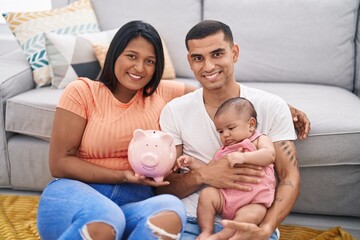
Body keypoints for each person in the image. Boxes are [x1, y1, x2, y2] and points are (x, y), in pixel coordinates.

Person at [36, 20, 195, 240]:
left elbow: (209, 96)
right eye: (131, 56)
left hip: (132, 205)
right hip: (76, 197)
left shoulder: (162, 93)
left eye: (149, 61)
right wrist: (123, 176)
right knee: (107, 215)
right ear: (114, 54)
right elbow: (59, 163)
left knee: (170, 208)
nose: (140, 68)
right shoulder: (82, 92)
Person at [158, 20, 310, 240]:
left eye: (217, 54)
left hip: (251, 225)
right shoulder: (174, 111)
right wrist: (203, 174)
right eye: (198, 58)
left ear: (234, 53)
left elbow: (289, 176)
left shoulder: (270, 106)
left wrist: (266, 228)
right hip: (191, 221)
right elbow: (163, 187)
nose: (208, 66)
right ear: (189, 62)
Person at [176, 97, 276, 240]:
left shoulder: (258, 140)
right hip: (225, 199)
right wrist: (191, 162)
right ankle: (206, 231)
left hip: (252, 201)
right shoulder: (224, 151)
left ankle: (221, 236)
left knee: (255, 213)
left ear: (251, 124)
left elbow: (270, 155)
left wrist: (244, 158)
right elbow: (209, 170)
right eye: (220, 131)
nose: (225, 135)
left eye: (231, 128)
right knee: (207, 194)